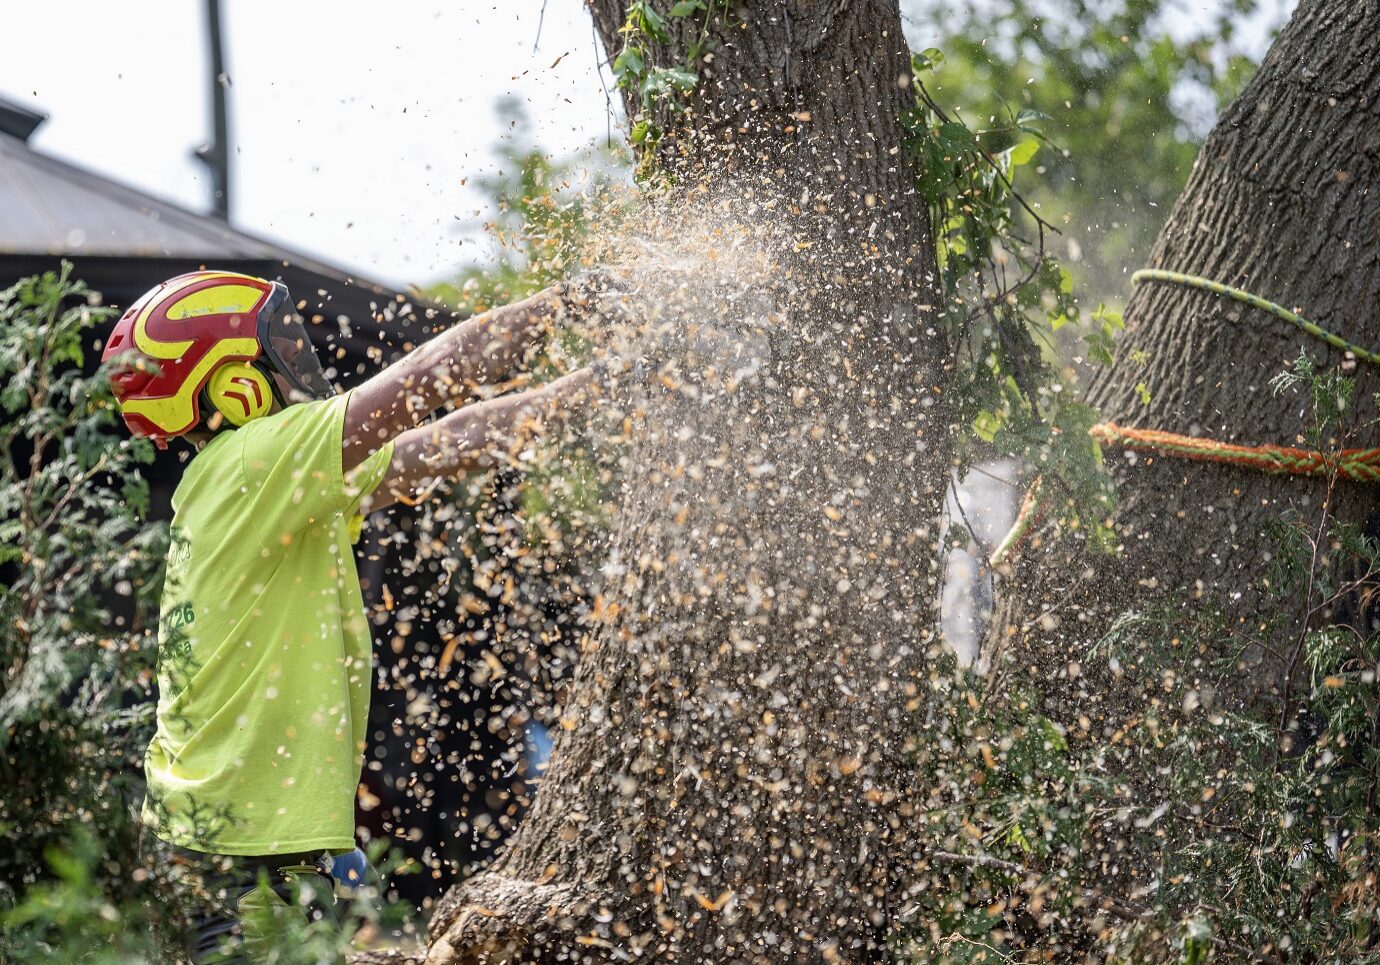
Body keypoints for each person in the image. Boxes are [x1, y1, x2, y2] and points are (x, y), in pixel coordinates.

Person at [101, 269, 597, 961]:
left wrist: (591, 392)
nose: (299, 359)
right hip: (237, 845)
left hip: (243, 840)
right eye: (278, 345)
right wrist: (570, 301)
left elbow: (446, 443)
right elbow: (429, 377)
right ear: (231, 382)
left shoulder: (263, 477)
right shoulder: (254, 457)